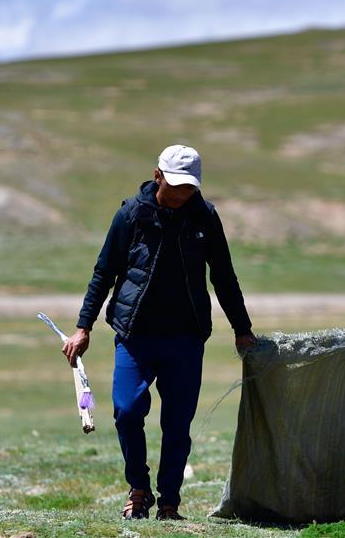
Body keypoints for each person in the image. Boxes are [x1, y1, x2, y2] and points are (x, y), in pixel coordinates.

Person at [62, 145, 257, 521]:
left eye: (190, 187)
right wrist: (83, 327)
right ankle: (139, 487)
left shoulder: (204, 217)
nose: (183, 193)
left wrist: (242, 329)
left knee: (177, 423)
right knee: (127, 411)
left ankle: (169, 501)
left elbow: (224, 277)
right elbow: (105, 271)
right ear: (157, 177)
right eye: (176, 185)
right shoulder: (131, 215)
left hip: (185, 337)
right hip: (136, 335)